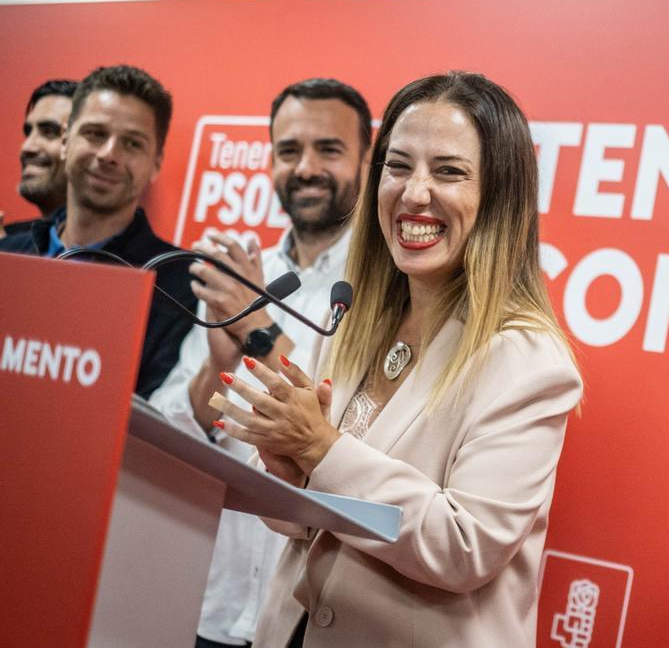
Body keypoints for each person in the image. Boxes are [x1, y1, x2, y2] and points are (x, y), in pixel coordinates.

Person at [211, 71, 583, 646]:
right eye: (399, 165)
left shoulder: (527, 359)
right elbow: (312, 525)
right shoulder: (354, 316)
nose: (413, 193)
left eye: (449, 171)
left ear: (499, 196)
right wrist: (287, 478)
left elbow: (465, 547)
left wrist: (318, 448)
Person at [148, 78, 371, 648]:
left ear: (368, 160)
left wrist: (254, 329)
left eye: (329, 149)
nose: (306, 168)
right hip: (213, 600)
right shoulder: (240, 272)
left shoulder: (384, 287)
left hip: (307, 608)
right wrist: (215, 367)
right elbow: (183, 430)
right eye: (289, 150)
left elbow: (343, 426)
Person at [0, 65, 196, 398]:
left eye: (132, 144)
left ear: (156, 164)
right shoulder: (8, 255)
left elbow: (158, 430)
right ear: (65, 141)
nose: (109, 155)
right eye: (95, 134)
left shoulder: (179, 285)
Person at [1, 79, 77, 239]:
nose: (26, 147)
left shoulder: (127, 257)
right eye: (29, 132)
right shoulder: (10, 238)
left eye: (49, 132)